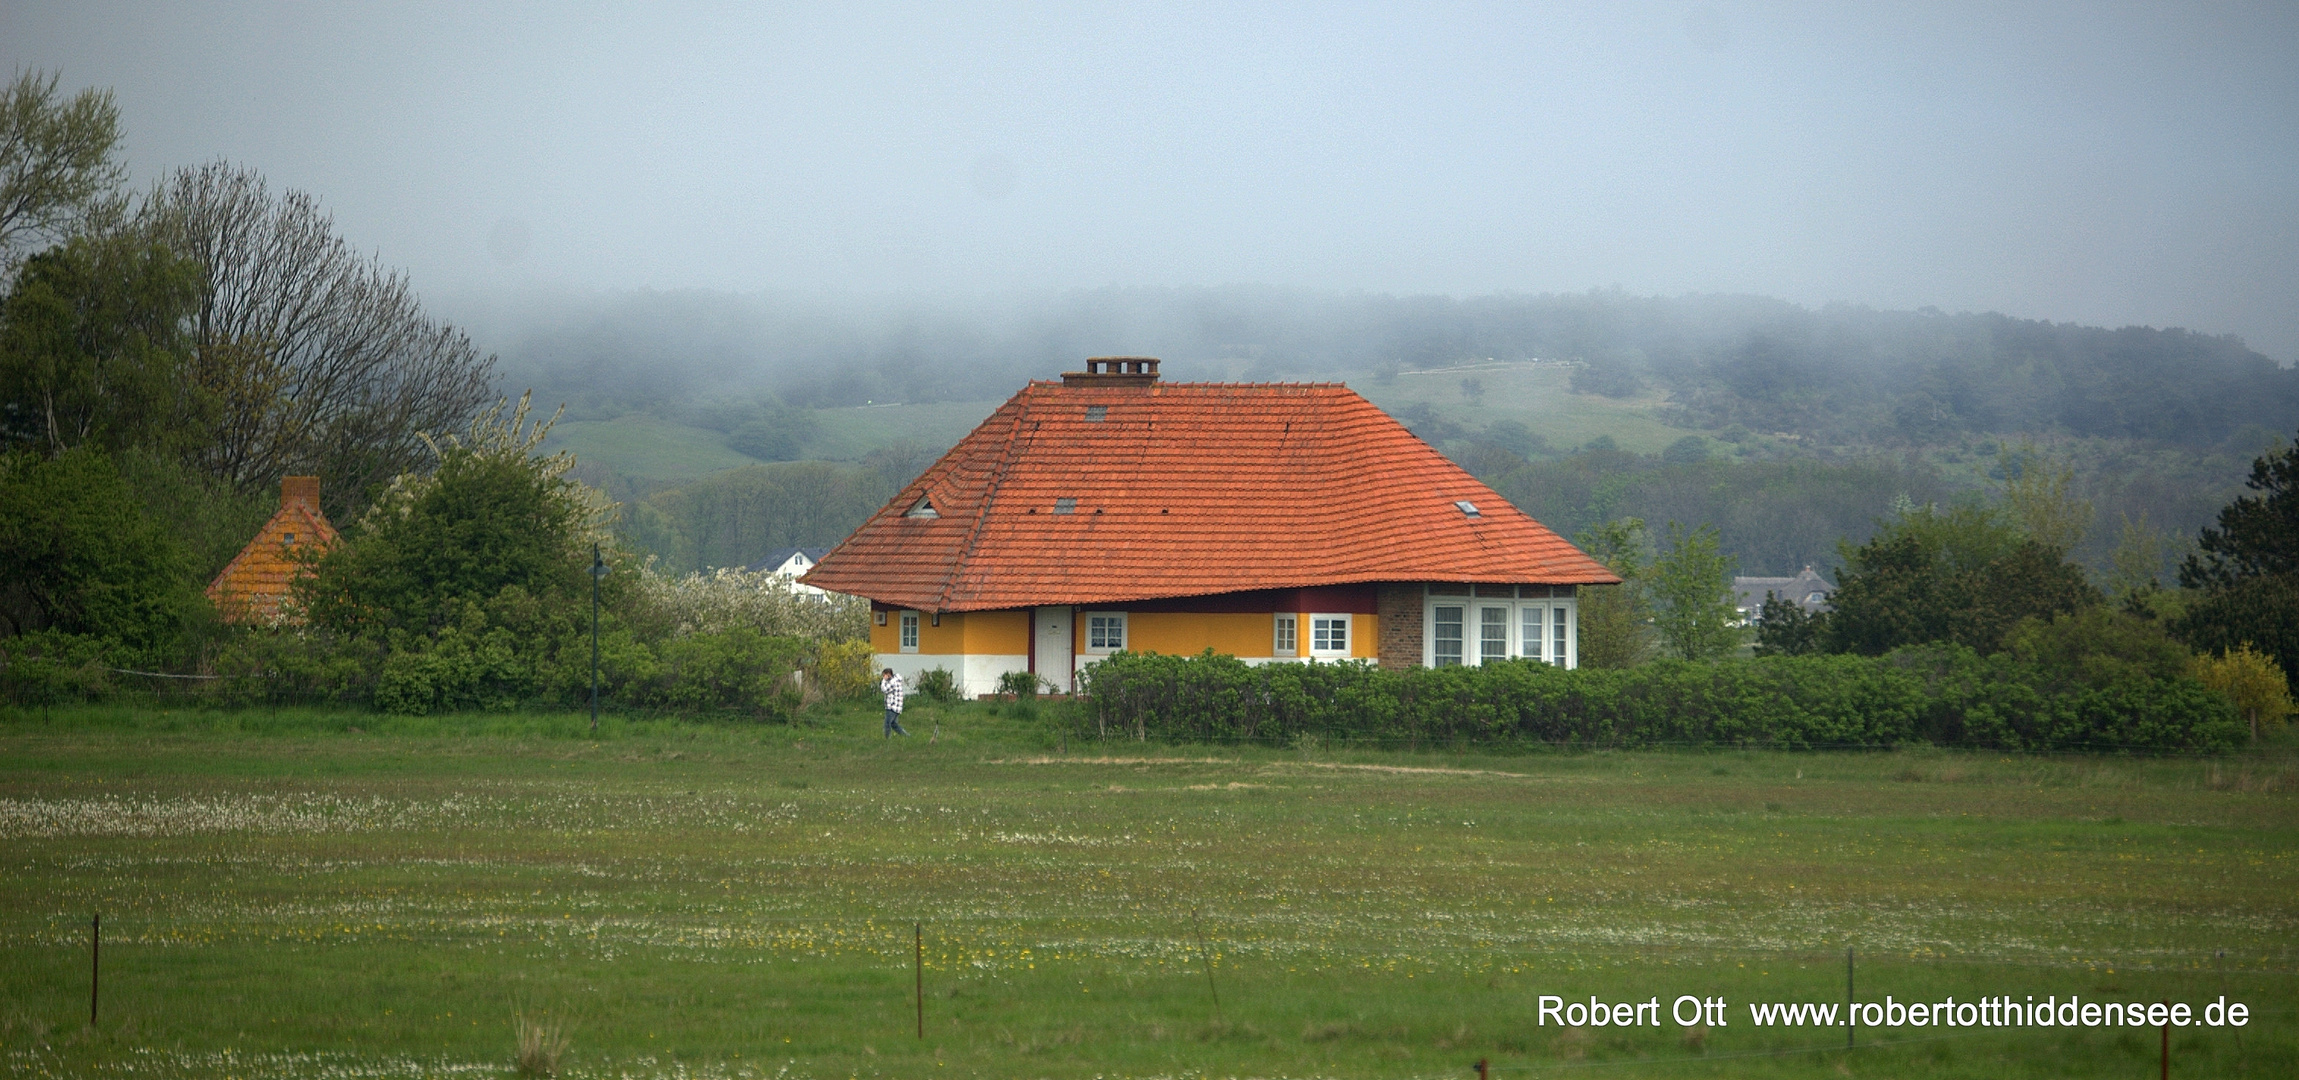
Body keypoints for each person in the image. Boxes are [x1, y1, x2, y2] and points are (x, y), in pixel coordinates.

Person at [880, 668, 909, 737]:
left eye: (884, 675)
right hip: (897, 706)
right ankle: (906, 736)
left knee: (887, 724)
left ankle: (887, 738)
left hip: (892, 706)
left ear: (888, 675)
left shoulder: (893, 682)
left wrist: (884, 680)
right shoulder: (896, 680)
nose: (883, 677)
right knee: (893, 724)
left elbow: (884, 690)